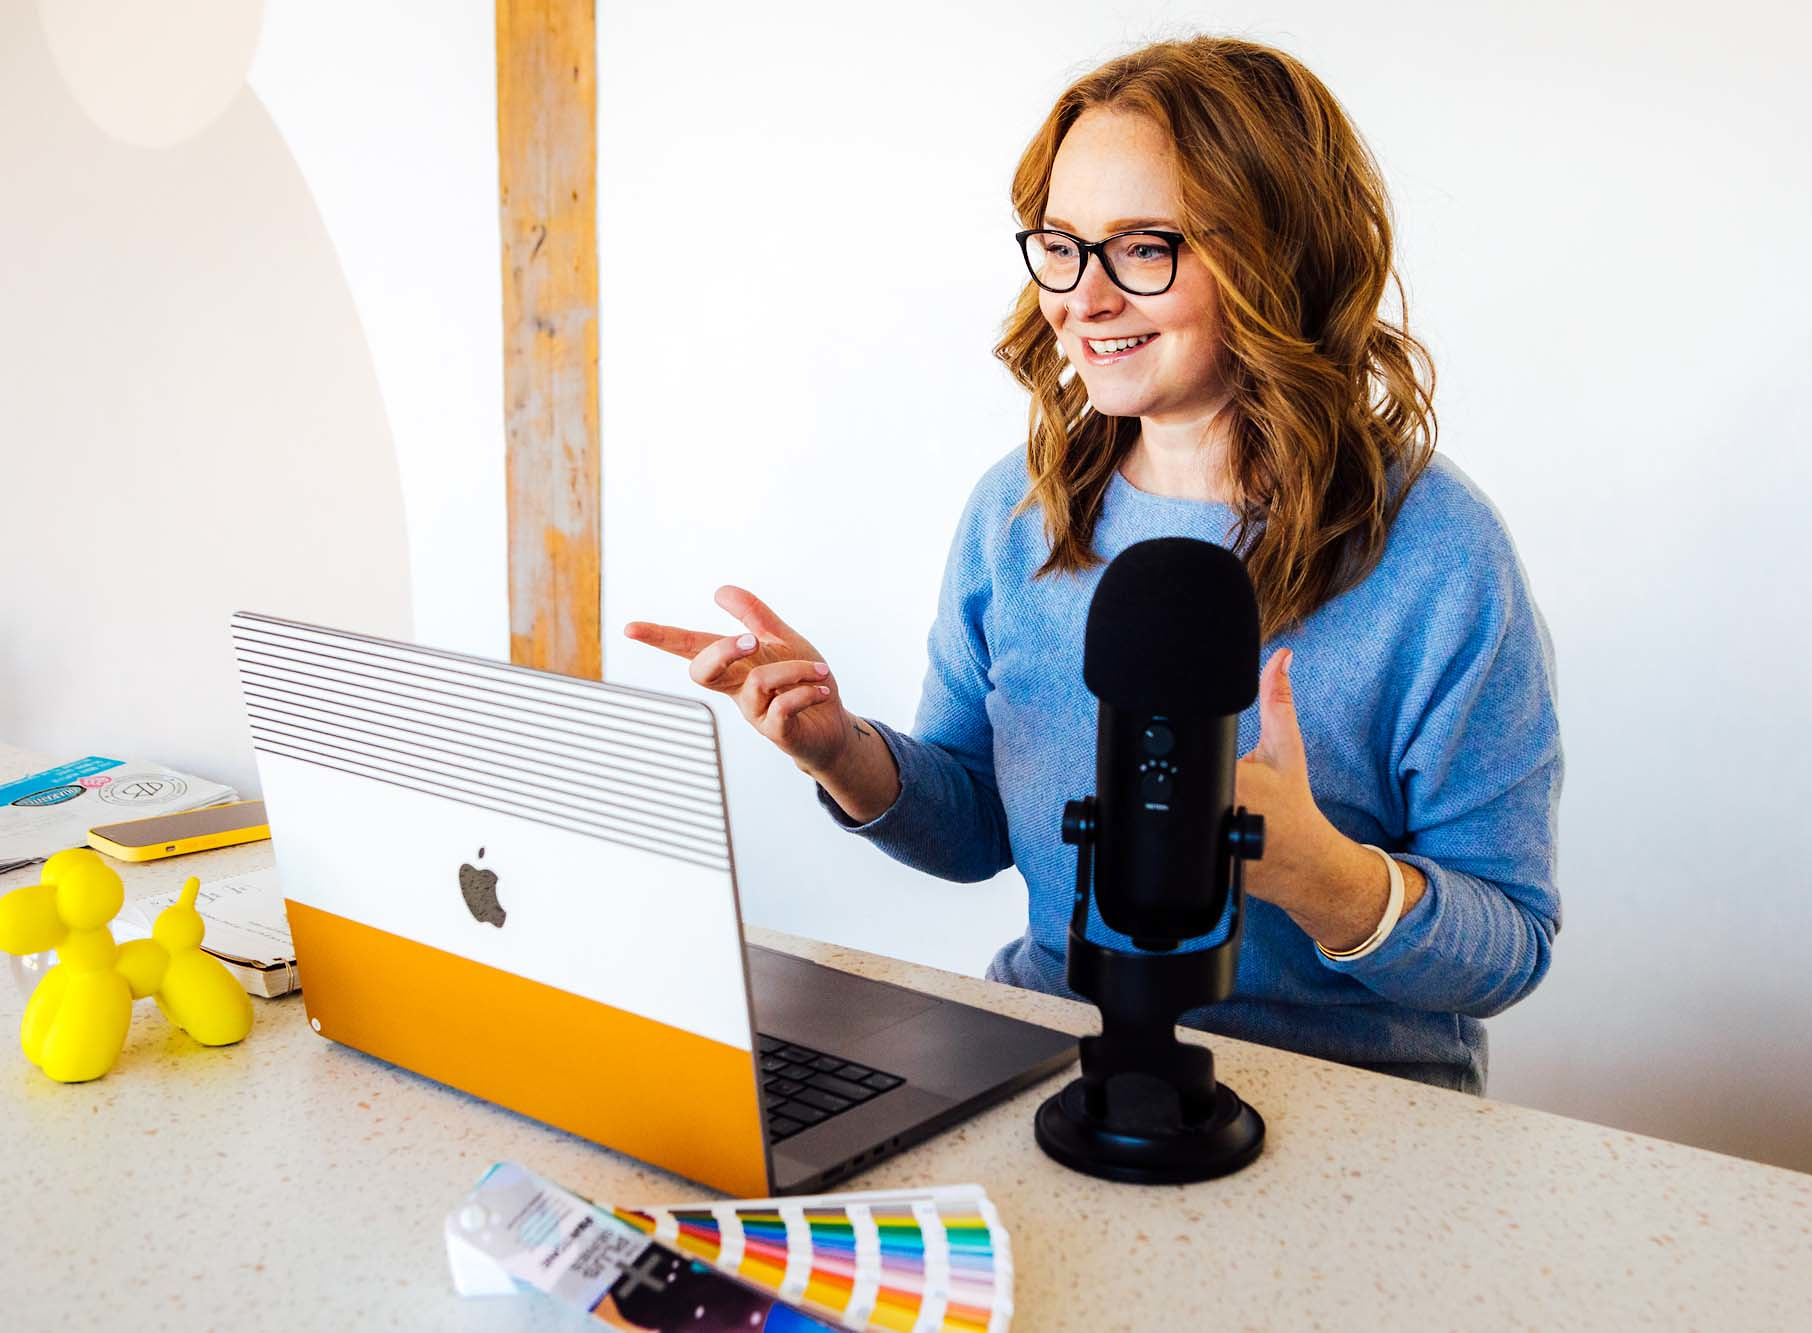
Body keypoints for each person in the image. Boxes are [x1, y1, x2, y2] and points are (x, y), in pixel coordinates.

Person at [626, 35, 1562, 1096]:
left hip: (1340, 1106)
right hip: (1055, 1060)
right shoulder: (1015, 515)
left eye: (1142, 248)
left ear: (1276, 255)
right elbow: (978, 824)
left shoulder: (1437, 550)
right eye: (1061, 245)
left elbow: (1509, 942)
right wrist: (839, 749)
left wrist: (1323, 878)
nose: (1083, 298)